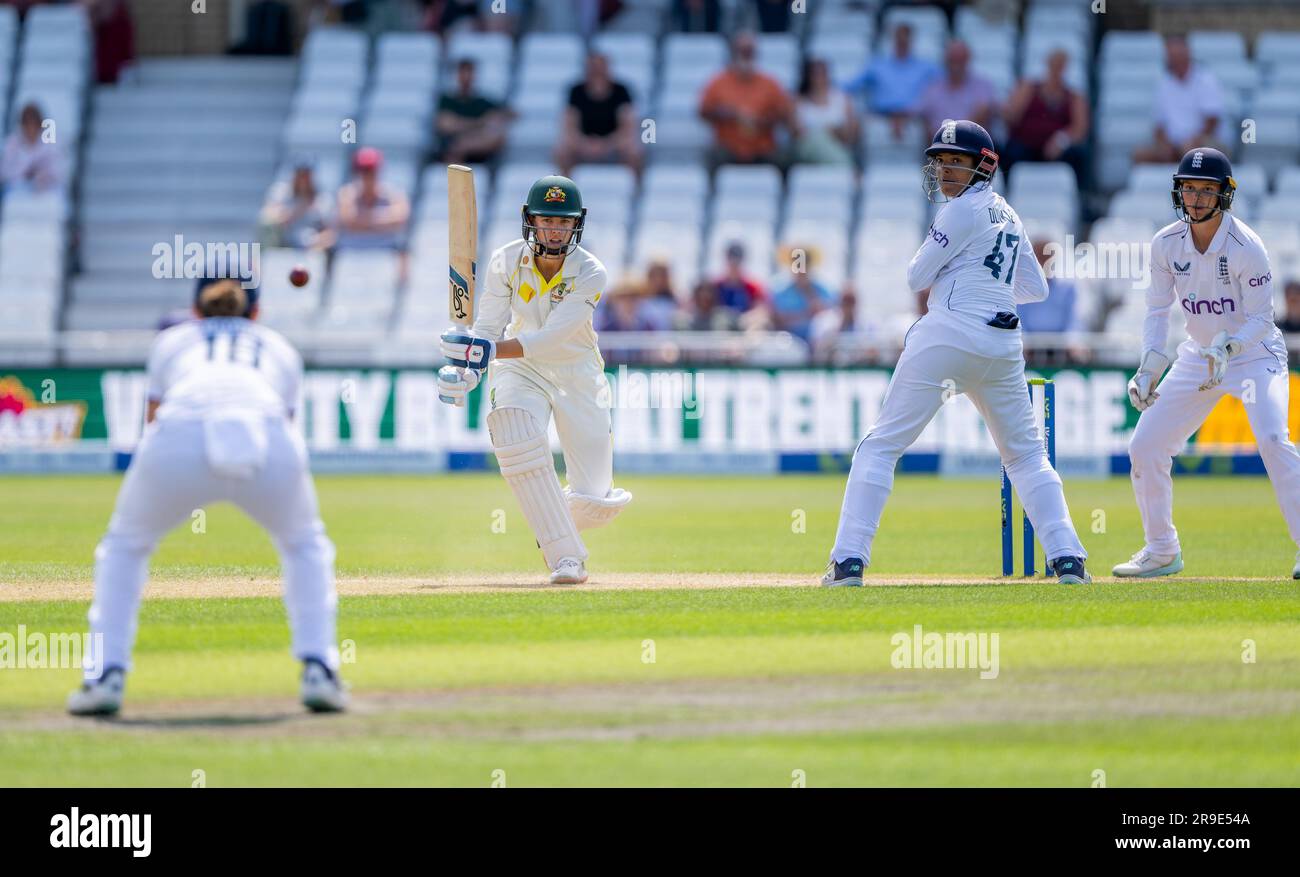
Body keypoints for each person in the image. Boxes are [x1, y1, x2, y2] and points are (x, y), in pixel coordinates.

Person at [823, 120, 1091, 587]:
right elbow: (1035, 287)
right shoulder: (1009, 214)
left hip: (948, 335)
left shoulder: (960, 212)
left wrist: (963, 282)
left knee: (880, 446)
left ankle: (848, 562)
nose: (945, 170)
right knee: (1027, 457)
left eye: (956, 162)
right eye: (941, 161)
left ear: (982, 166)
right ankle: (1068, 559)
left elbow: (914, 277)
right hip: (1004, 345)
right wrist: (987, 288)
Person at [67, 276, 346, 716]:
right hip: (265, 434)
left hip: (181, 432)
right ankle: (320, 670)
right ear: (256, 314)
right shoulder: (278, 346)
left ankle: (104, 676)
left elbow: (153, 418)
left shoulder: (172, 340)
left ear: (195, 311)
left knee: (125, 546)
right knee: (304, 544)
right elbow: (288, 421)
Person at [436, 175, 632, 585]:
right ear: (530, 220)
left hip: (578, 374)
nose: (556, 230)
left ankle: (553, 515)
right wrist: (466, 372)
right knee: (513, 429)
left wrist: (481, 353)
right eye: (548, 220)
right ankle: (566, 557)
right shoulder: (506, 261)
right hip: (522, 371)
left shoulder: (591, 272)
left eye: (564, 222)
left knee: (597, 501)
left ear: (577, 224)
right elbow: (488, 327)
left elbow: (547, 339)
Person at [1115, 147, 1300, 580]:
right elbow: (1158, 314)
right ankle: (1161, 550)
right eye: (1189, 189)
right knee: (1145, 446)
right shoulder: (1165, 243)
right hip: (1199, 358)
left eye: (1206, 190)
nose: (1196, 199)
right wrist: (1148, 369)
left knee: (1274, 440)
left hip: (1254, 357)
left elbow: (1261, 320)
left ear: (1224, 195)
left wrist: (1230, 349)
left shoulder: (1245, 247)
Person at [699, 31, 798, 166]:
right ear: (733, 53)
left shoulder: (770, 83)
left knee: (786, 159)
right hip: (729, 147)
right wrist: (728, 114)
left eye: (750, 51)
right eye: (742, 51)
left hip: (763, 147)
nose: (746, 55)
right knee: (711, 158)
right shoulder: (718, 82)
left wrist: (762, 120)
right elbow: (703, 111)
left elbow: (784, 114)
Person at [1002, 49, 1090, 189]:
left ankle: (1079, 198)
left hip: (1056, 149)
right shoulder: (1029, 89)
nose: (1057, 70)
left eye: (1061, 66)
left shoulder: (1074, 97)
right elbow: (1011, 118)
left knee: (1078, 156)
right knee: (1010, 152)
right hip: (1026, 145)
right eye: (1054, 65)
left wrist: (1061, 141)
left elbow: (1080, 129)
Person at [1133, 36, 1226, 164]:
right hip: (1173, 145)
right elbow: (1158, 125)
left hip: (1203, 142)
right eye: (1171, 56)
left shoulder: (1206, 79)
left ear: (1187, 54)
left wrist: (1194, 141)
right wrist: (1165, 144)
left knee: (1189, 151)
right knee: (1139, 155)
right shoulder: (1163, 83)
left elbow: (1212, 121)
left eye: (1178, 55)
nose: (1174, 59)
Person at [842, 24, 938, 141]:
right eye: (899, 38)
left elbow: (946, 84)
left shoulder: (925, 67)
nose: (902, 42)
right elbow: (851, 86)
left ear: (911, 40)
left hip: (915, 121)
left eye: (905, 38)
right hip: (880, 119)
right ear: (893, 39)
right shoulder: (877, 65)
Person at [554, 53, 641, 176]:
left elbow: (628, 126)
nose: (597, 71)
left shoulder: (621, 91)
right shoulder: (576, 91)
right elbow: (569, 124)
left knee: (634, 151)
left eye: (600, 67)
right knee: (562, 152)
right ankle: (565, 189)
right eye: (593, 67)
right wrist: (585, 144)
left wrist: (605, 145)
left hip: (614, 143)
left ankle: (637, 190)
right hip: (583, 143)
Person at [435, 58, 511, 165]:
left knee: (497, 132)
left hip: (480, 151)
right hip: (452, 149)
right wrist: (480, 122)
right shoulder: (446, 100)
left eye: (469, 72)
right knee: (456, 146)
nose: (466, 77)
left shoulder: (483, 102)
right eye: (462, 72)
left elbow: (510, 113)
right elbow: (445, 126)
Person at [334, 147, 409, 251]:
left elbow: (400, 220)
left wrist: (361, 220)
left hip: (385, 254)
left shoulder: (394, 194)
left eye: (371, 171)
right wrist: (384, 221)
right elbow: (348, 220)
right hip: (352, 254)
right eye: (363, 171)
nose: (368, 176)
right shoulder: (346, 193)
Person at [915, 41, 996, 135]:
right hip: (938, 144)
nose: (956, 65)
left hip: (971, 144)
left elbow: (983, 114)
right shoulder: (932, 88)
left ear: (968, 60)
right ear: (945, 61)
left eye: (960, 60)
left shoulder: (983, 86)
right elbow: (921, 115)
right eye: (953, 60)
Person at [258, 155, 334, 250]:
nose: (303, 180)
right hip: (283, 243)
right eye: (300, 174)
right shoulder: (281, 192)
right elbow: (267, 217)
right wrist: (297, 210)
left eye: (306, 175)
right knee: (267, 226)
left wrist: (319, 241)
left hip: (312, 248)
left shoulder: (323, 198)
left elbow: (330, 230)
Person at [794, 58, 858, 166]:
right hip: (808, 151)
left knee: (822, 141)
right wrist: (829, 131)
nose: (819, 77)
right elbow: (797, 134)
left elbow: (849, 134)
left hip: (837, 146)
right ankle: (847, 167)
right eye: (815, 74)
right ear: (807, 76)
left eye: (822, 73)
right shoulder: (798, 101)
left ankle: (842, 166)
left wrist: (830, 132)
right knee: (817, 141)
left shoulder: (842, 99)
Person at [770, 245, 834, 341]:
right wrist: (806, 313)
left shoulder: (823, 290)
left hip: (816, 343)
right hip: (786, 341)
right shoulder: (779, 290)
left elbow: (830, 316)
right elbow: (778, 319)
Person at [1, 102, 64, 194]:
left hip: (48, 194)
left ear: (40, 124)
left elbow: (61, 171)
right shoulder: (12, 142)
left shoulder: (52, 141)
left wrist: (44, 176)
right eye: (27, 124)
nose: (31, 128)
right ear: (22, 125)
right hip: (17, 194)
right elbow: (4, 172)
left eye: (34, 124)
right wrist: (25, 173)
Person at [713, 241, 767, 314]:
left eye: (737, 259)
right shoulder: (715, 286)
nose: (734, 264)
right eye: (731, 258)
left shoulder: (753, 287)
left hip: (744, 322)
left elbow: (760, 309)